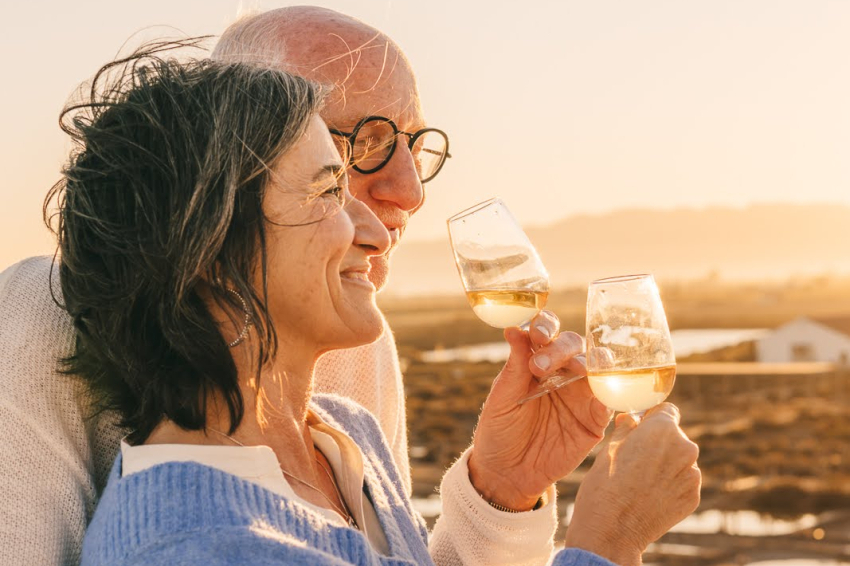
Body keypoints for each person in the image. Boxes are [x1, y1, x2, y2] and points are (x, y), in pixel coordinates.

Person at [0, 8, 700, 566]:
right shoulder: (39, 322)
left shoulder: (345, 420)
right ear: (205, 222)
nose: (406, 195)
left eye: (413, 144)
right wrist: (606, 546)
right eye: (351, 151)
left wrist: (502, 494)